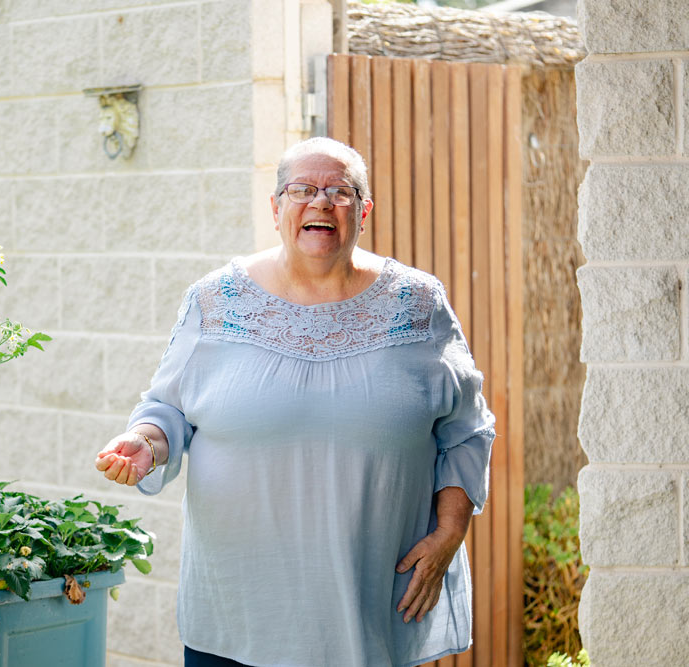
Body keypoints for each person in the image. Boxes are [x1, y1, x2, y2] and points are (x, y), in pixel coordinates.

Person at [94, 137, 495, 667]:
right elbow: (167, 409)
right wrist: (146, 441)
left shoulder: (418, 303)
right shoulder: (214, 300)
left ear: (365, 211)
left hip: (369, 609)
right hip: (238, 612)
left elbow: (466, 429)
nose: (321, 202)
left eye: (341, 191)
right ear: (277, 207)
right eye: (302, 188)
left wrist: (450, 531)